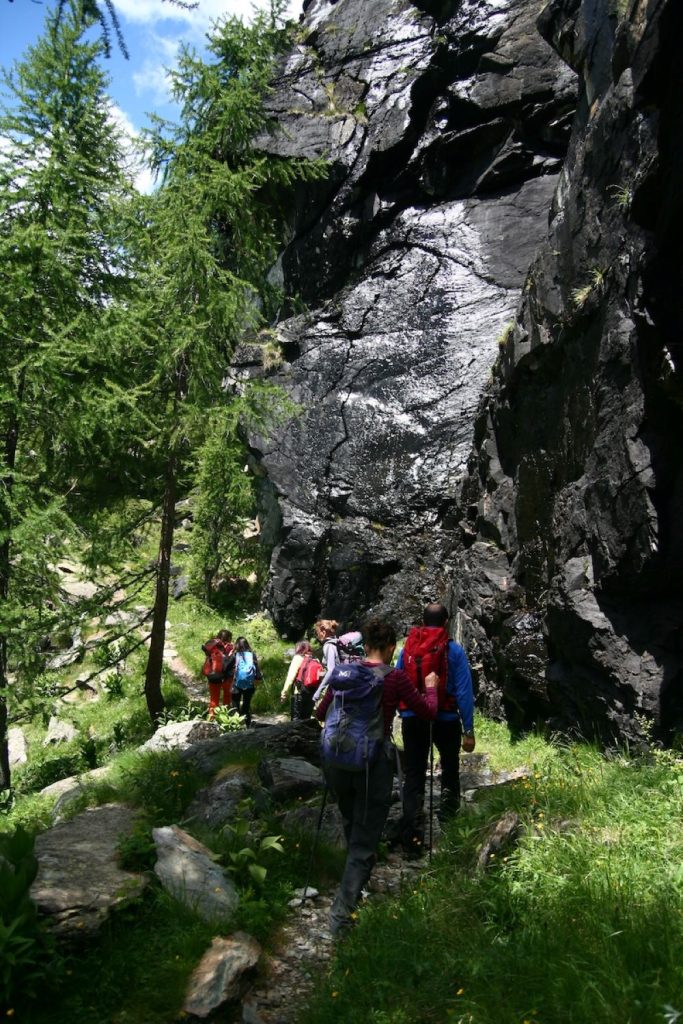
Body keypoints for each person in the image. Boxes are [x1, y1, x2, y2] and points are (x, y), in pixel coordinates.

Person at [316, 617, 438, 939]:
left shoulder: (346, 673)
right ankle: (341, 917)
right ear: (391, 647)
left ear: (366, 645)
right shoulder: (394, 678)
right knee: (364, 840)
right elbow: (427, 712)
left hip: (337, 762)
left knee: (351, 823)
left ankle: (354, 888)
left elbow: (320, 712)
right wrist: (431, 689)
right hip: (373, 765)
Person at [395, 601, 475, 859]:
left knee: (414, 775)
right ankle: (450, 829)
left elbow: (397, 679)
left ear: (423, 621)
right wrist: (469, 730)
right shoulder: (454, 650)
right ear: (446, 623)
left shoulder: (408, 648)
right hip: (446, 718)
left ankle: (412, 840)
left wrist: (400, 712)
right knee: (450, 769)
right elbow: (464, 692)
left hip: (413, 717)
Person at [280, 641, 321, 720]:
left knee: (296, 721)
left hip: (299, 693)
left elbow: (290, 677)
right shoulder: (315, 658)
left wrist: (284, 693)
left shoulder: (297, 658)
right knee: (306, 720)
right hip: (311, 693)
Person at [201, 629, 234, 720]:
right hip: (227, 677)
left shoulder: (212, 646)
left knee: (214, 699)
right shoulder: (231, 647)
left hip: (213, 676)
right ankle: (226, 718)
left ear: (218, 636)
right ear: (229, 638)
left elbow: (207, 655)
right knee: (227, 697)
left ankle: (212, 718)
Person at [231, 636, 261, 727]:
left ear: (237, 645)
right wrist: (257, 679)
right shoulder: (252, 654)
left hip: (237, 683)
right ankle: (248, 726)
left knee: (235, 706)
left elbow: (227, 667)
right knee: (246, 705)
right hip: (250, 684)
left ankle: (235, 726)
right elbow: (257, 671)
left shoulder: (235, 655)